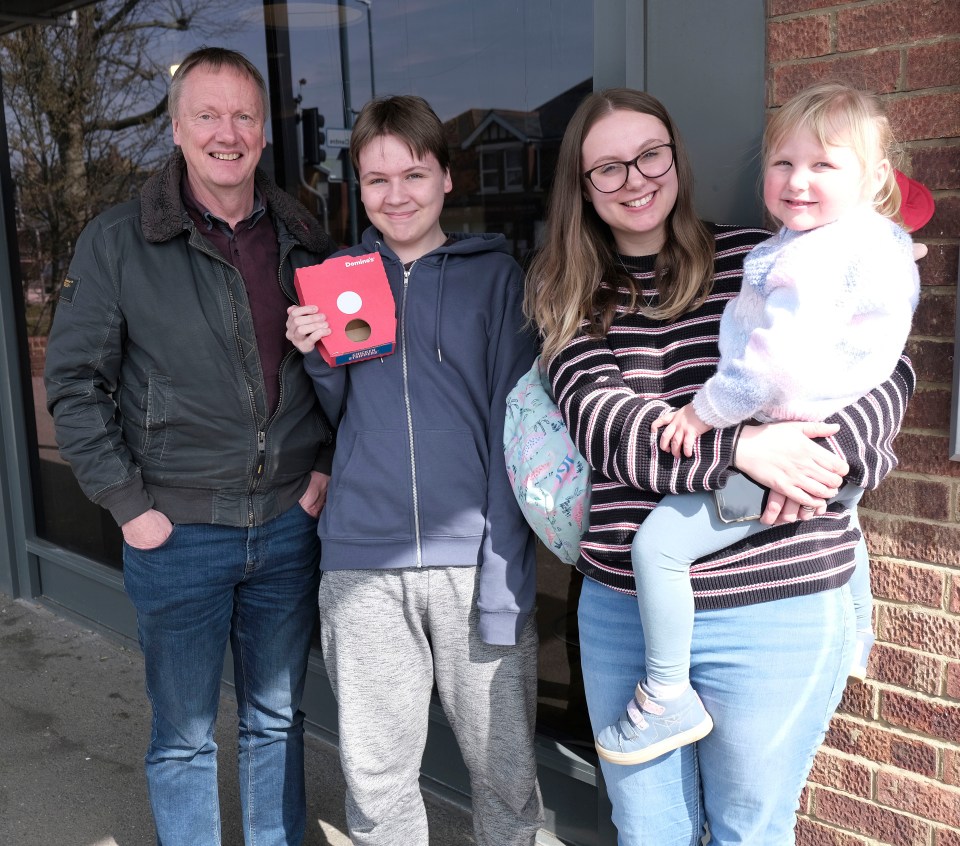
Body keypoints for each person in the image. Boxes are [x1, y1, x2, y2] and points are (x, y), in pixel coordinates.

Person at [524, 87, 915, 844]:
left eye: (649, 155)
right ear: (582, 184)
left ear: (676, 157)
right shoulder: (568, 293)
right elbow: (608, 426)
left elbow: (884, 374)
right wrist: (741, 450)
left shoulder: (767, 256)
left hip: (779, 599)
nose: (635, 178)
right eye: (607, 168)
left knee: (748, 830)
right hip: (627, 615)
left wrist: (822, 461)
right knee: (649, 832)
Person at [44, 47, 334, 846]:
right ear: (177, 129)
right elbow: (73, 384)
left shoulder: (304, 233)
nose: (227, 132)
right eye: (207, 114)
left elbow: (346, 365)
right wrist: (128, 506)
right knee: (184, 736)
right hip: (177, 535)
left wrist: (325, 464)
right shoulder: (118, 242)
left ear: (264, 133)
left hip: (285, 525)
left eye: (243, 115)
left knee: (277, 719)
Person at [285, 95, 544, 846]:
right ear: (356, 188)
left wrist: (503, 577)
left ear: (446, 180)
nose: (396, 195)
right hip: (362, 563)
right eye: (376, 179)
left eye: (414, 174)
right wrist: (316, 355)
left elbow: (513, 439)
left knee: (504, 778)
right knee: (376, 781)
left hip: (473, 564)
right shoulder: (336, 278)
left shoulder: (498, 280)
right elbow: (342, 417)